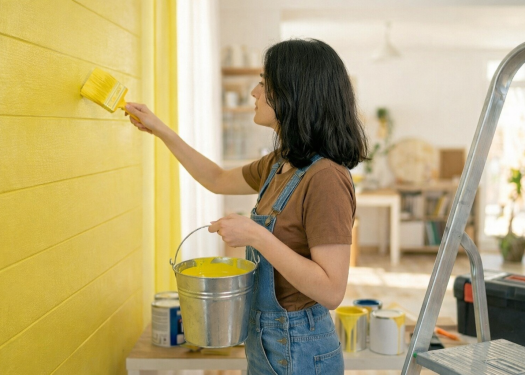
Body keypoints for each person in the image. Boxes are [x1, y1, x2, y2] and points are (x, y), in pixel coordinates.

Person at [126, 38, 368, 375]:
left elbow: (331, 291)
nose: (254, 92)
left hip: (301, 349)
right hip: (267, 343)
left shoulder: (325, 178)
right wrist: (161, 130)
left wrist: (257, 236)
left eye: (264, 83)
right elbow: (217, 179)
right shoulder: (280, 163)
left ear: (293, 93)